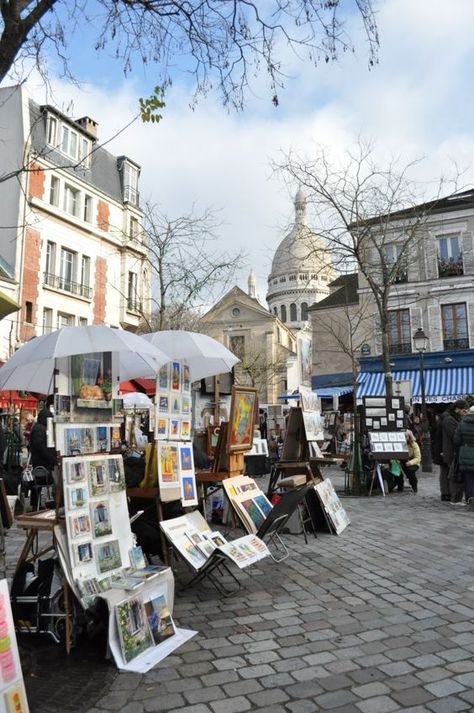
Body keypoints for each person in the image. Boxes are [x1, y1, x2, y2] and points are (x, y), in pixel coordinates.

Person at [438, 399, 469, 504]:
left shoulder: (454, 418)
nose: (465, 413)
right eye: (464, 411)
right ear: (457, 409)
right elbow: (454, 435)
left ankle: (449, 494)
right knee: (450, 473)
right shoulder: (449, 419)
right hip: (451, 450)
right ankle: (449, 494)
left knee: (449, 472)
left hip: (452, 450)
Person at [29, 408, 56, 509]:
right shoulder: (40, 429)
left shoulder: (38, 427)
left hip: (39, 461)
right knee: (47, 481)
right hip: (42, 462)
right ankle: (39, 505)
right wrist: (51, 458)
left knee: (38, 483)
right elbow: (39, 446)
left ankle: (35, 505)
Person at [453, 405, 474, 506]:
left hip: (465, 453)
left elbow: (456, 441)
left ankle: (470, 497)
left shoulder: (462, 424)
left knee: (468, 478)